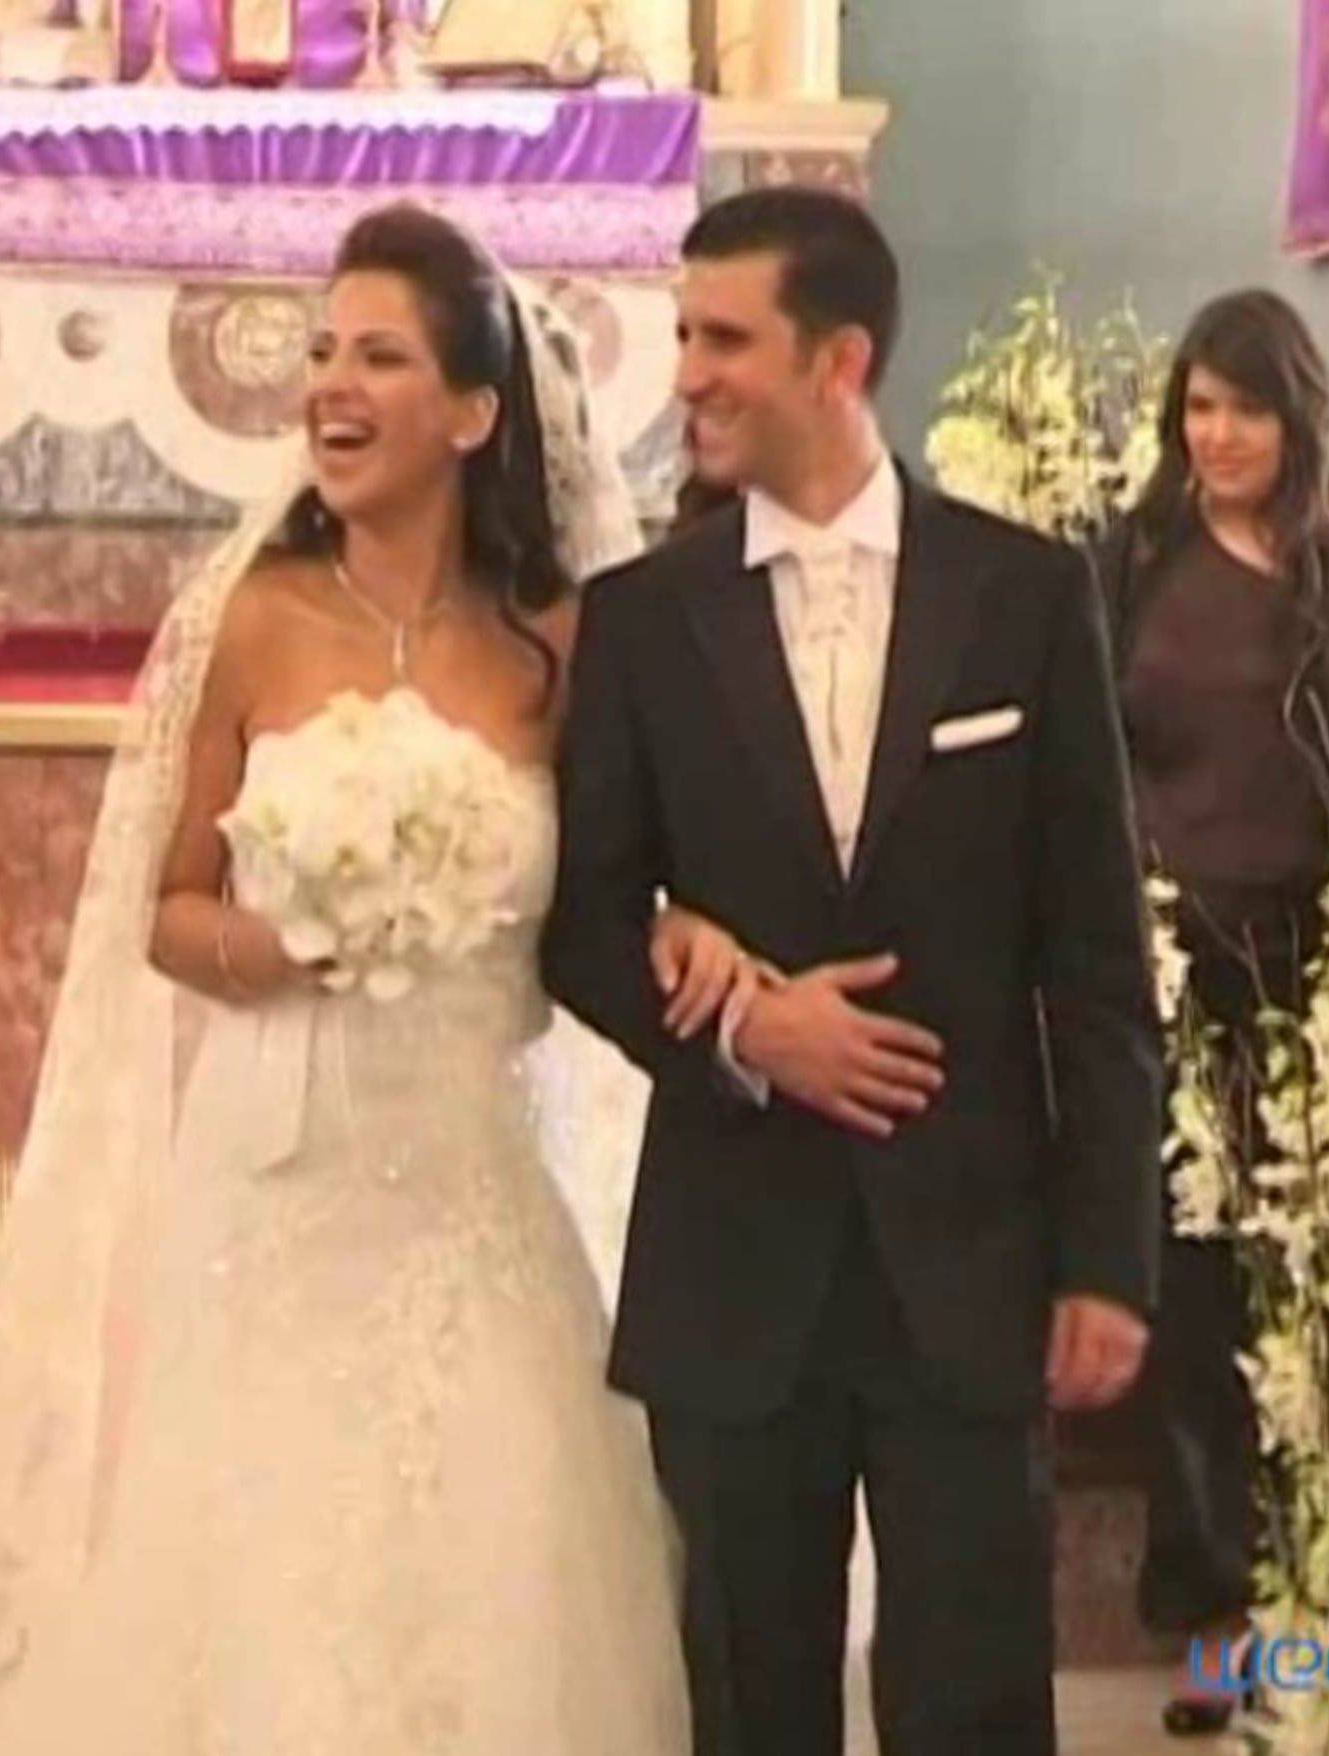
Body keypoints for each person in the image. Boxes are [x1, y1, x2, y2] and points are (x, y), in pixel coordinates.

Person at [0, 204, 697, 1753]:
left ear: (475, 412)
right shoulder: (258, 617)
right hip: (275, 1184)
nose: (331, 388)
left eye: (379, 357)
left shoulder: (562, 646)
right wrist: (285, 942)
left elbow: (617, 900)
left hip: (469, 1183)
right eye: (321, 353)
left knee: (495, 1567)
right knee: (252, 1582)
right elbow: (166, 911)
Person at [543, 184, 1165, 1756]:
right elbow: (583, 926)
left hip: (971, 1261)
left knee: (976, 1710)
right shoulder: (640, 619)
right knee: (749, 1708)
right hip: (734, 1261)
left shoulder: (1028, 596)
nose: (687, 373)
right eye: (683, 334)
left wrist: (1109, 1259)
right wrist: (749, 1029)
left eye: (723, 339)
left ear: (840, 360)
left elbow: (1098, 961)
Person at [1091, 288, 1329, 1736]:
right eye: (1198, 407)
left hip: (1320, 975)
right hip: (1172, 975)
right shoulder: (1133, 559)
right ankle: (1215, 1614)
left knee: (1322, 1290)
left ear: (1298, 414)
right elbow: (1092, 763)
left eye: (1244, 407)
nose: (1219, 434)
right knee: (1190, 1298)